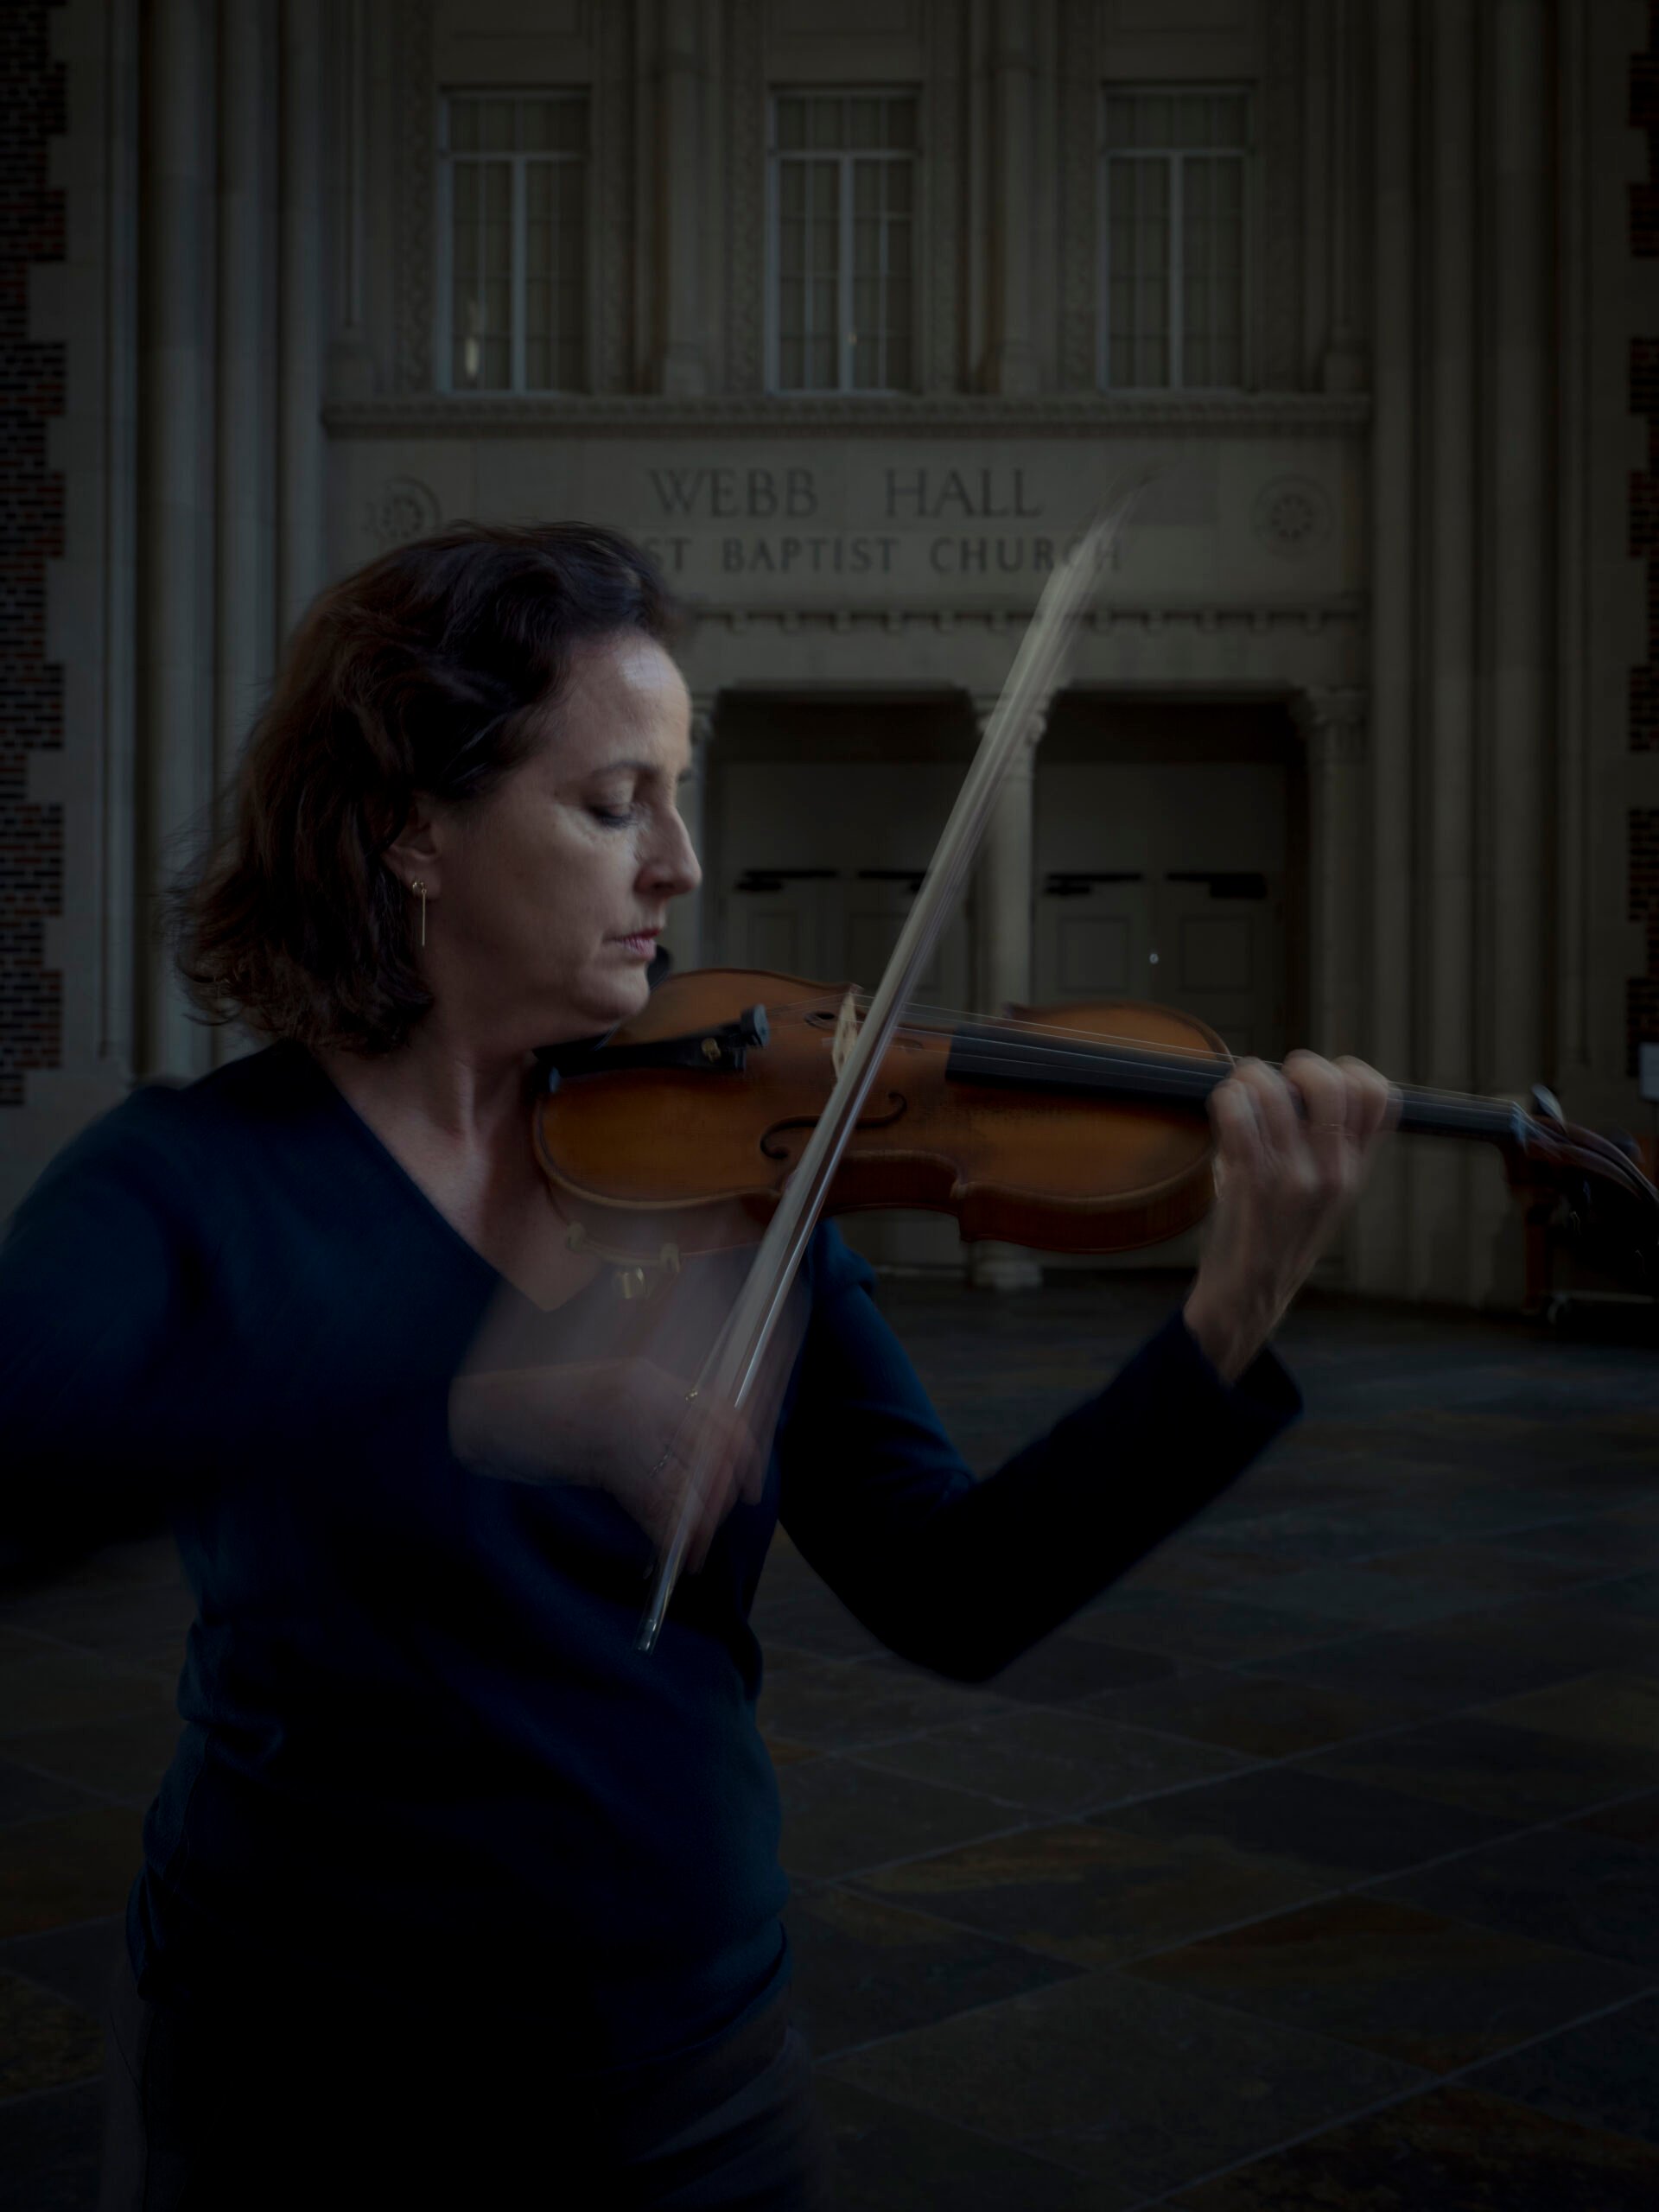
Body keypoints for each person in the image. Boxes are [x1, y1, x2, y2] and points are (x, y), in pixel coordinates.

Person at [0, 523, 1393, 2209]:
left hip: (685, 2057)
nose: (681, 859)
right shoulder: (189, 1180)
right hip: (300, 2067)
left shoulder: (726, 1162)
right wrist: (465, 1402)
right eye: (613, 802)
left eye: (679, 791)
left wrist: (1227, 1315)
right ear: (409, 830)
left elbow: (954, 1588)